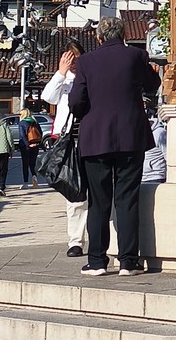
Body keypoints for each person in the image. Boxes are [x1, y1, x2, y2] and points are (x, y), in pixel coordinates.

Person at [69, 17, 161, 276]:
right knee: (127, 199)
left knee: (98, 202)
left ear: (98, 37)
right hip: (131, 136)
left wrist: (91, 112)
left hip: (95, 137)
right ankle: (129, 261)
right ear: (123, 34)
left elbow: (76, 101)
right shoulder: (137, 56)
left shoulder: (86, 61)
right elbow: (153, 85)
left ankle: (97, 261)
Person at [42, 48, 87, 257]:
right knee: (73, 190)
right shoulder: (64, 79)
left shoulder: (90, 76)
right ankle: (75, 240)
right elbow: (48, 97)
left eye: (76, 58)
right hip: (68, 141)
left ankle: (97, 236)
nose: (73, 62)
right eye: (69, 58)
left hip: (89, 137)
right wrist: (61, 73)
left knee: (97, 190)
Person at [16, 101, 43, 187]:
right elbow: (40, 133)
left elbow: (22, 136)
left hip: (25, 146)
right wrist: (37, 143)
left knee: (25, 164)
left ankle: (25, 182)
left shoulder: (22, 123)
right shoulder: (35, 122)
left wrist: (27, 144)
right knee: (32, 163)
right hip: (35, 145)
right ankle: (34, 177)